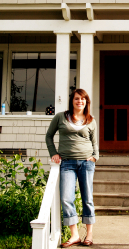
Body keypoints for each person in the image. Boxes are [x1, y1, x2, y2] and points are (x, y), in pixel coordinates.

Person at [46, 89, 99, 248]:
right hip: (67, 163)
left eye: (83, 99)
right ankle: (74, 235)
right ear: (72, 101)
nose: (79, 102)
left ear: (86, 102)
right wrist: (53, 153)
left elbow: (94, 142)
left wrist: (95, 156)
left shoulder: (90, 120)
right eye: (77, 99)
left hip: (86, 162)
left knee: (87, 198)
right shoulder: (60, 117)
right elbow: (49, 136)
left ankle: (89, 234)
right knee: (66, 198)